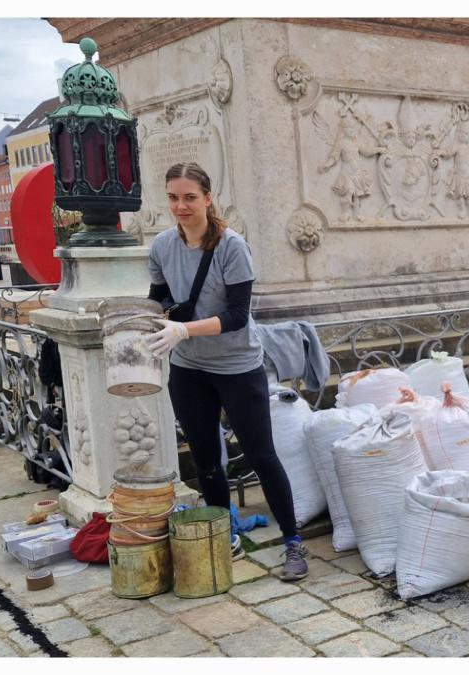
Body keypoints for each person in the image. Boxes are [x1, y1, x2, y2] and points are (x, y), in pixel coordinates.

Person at [145, 162, 308, 581]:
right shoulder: (162, 246)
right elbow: (159, 299)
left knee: (261, 454)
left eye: (189, 198)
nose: (180, 206)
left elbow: (237, 316)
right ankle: (224, 535)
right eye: (173, 198)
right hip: (188, 368)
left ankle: (293, 543)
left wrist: (183, 328)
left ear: (208, 197)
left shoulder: (232, 247)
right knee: (206, 460)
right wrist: (143, 321)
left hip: (237, 365)